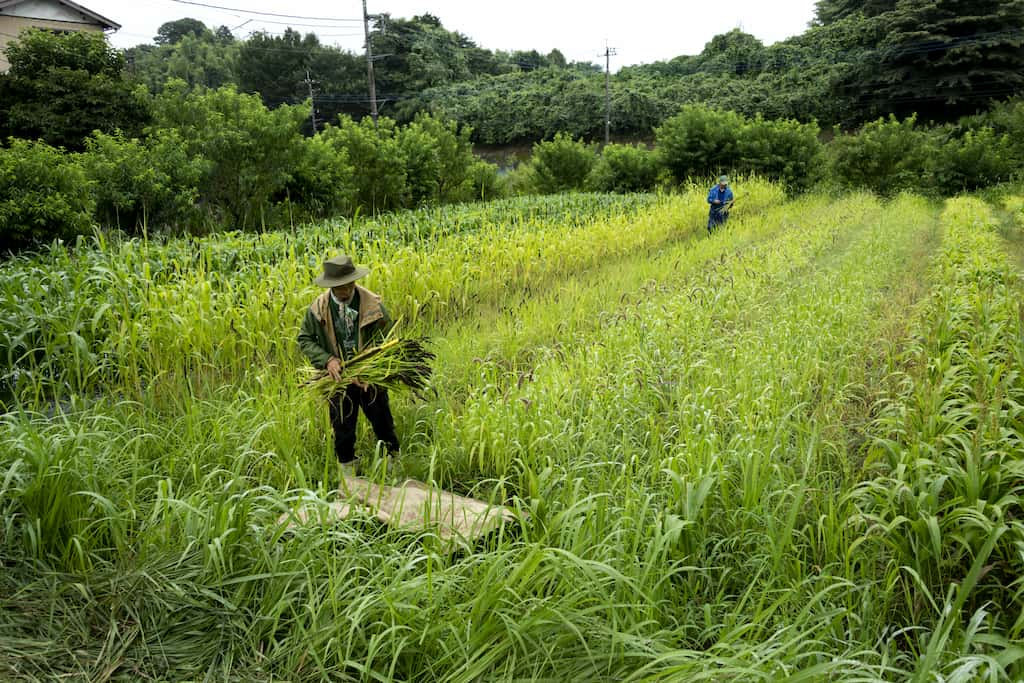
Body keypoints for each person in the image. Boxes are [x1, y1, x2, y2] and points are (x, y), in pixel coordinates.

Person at [298, 254, 400, 468]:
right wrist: (327, 360)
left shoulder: (373, 305)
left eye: (349, 285)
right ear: (331, 286)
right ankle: (348, 468)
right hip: (337, 377)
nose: (345, 291)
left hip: (369, 375)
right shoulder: (318, 309)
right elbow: (305, 339)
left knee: (382, 419)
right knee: (342, 426)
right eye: (340, 287)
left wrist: (370, 369)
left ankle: (391, 462)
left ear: (354, 281)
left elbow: (387, 339)